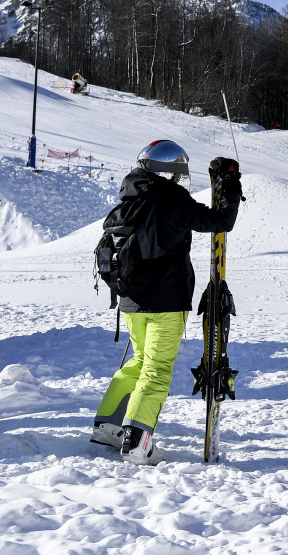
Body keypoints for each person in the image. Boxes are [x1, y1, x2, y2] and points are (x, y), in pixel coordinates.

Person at [91, 140, 241, 465]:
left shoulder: (128, 199)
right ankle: (137, 441)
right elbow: (219, 222)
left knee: (141, 361)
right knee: (157, 371)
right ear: (170, 172)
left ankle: (109, 425)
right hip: (165, 302)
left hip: (130, 302)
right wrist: (230, 183)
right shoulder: (171, 199)